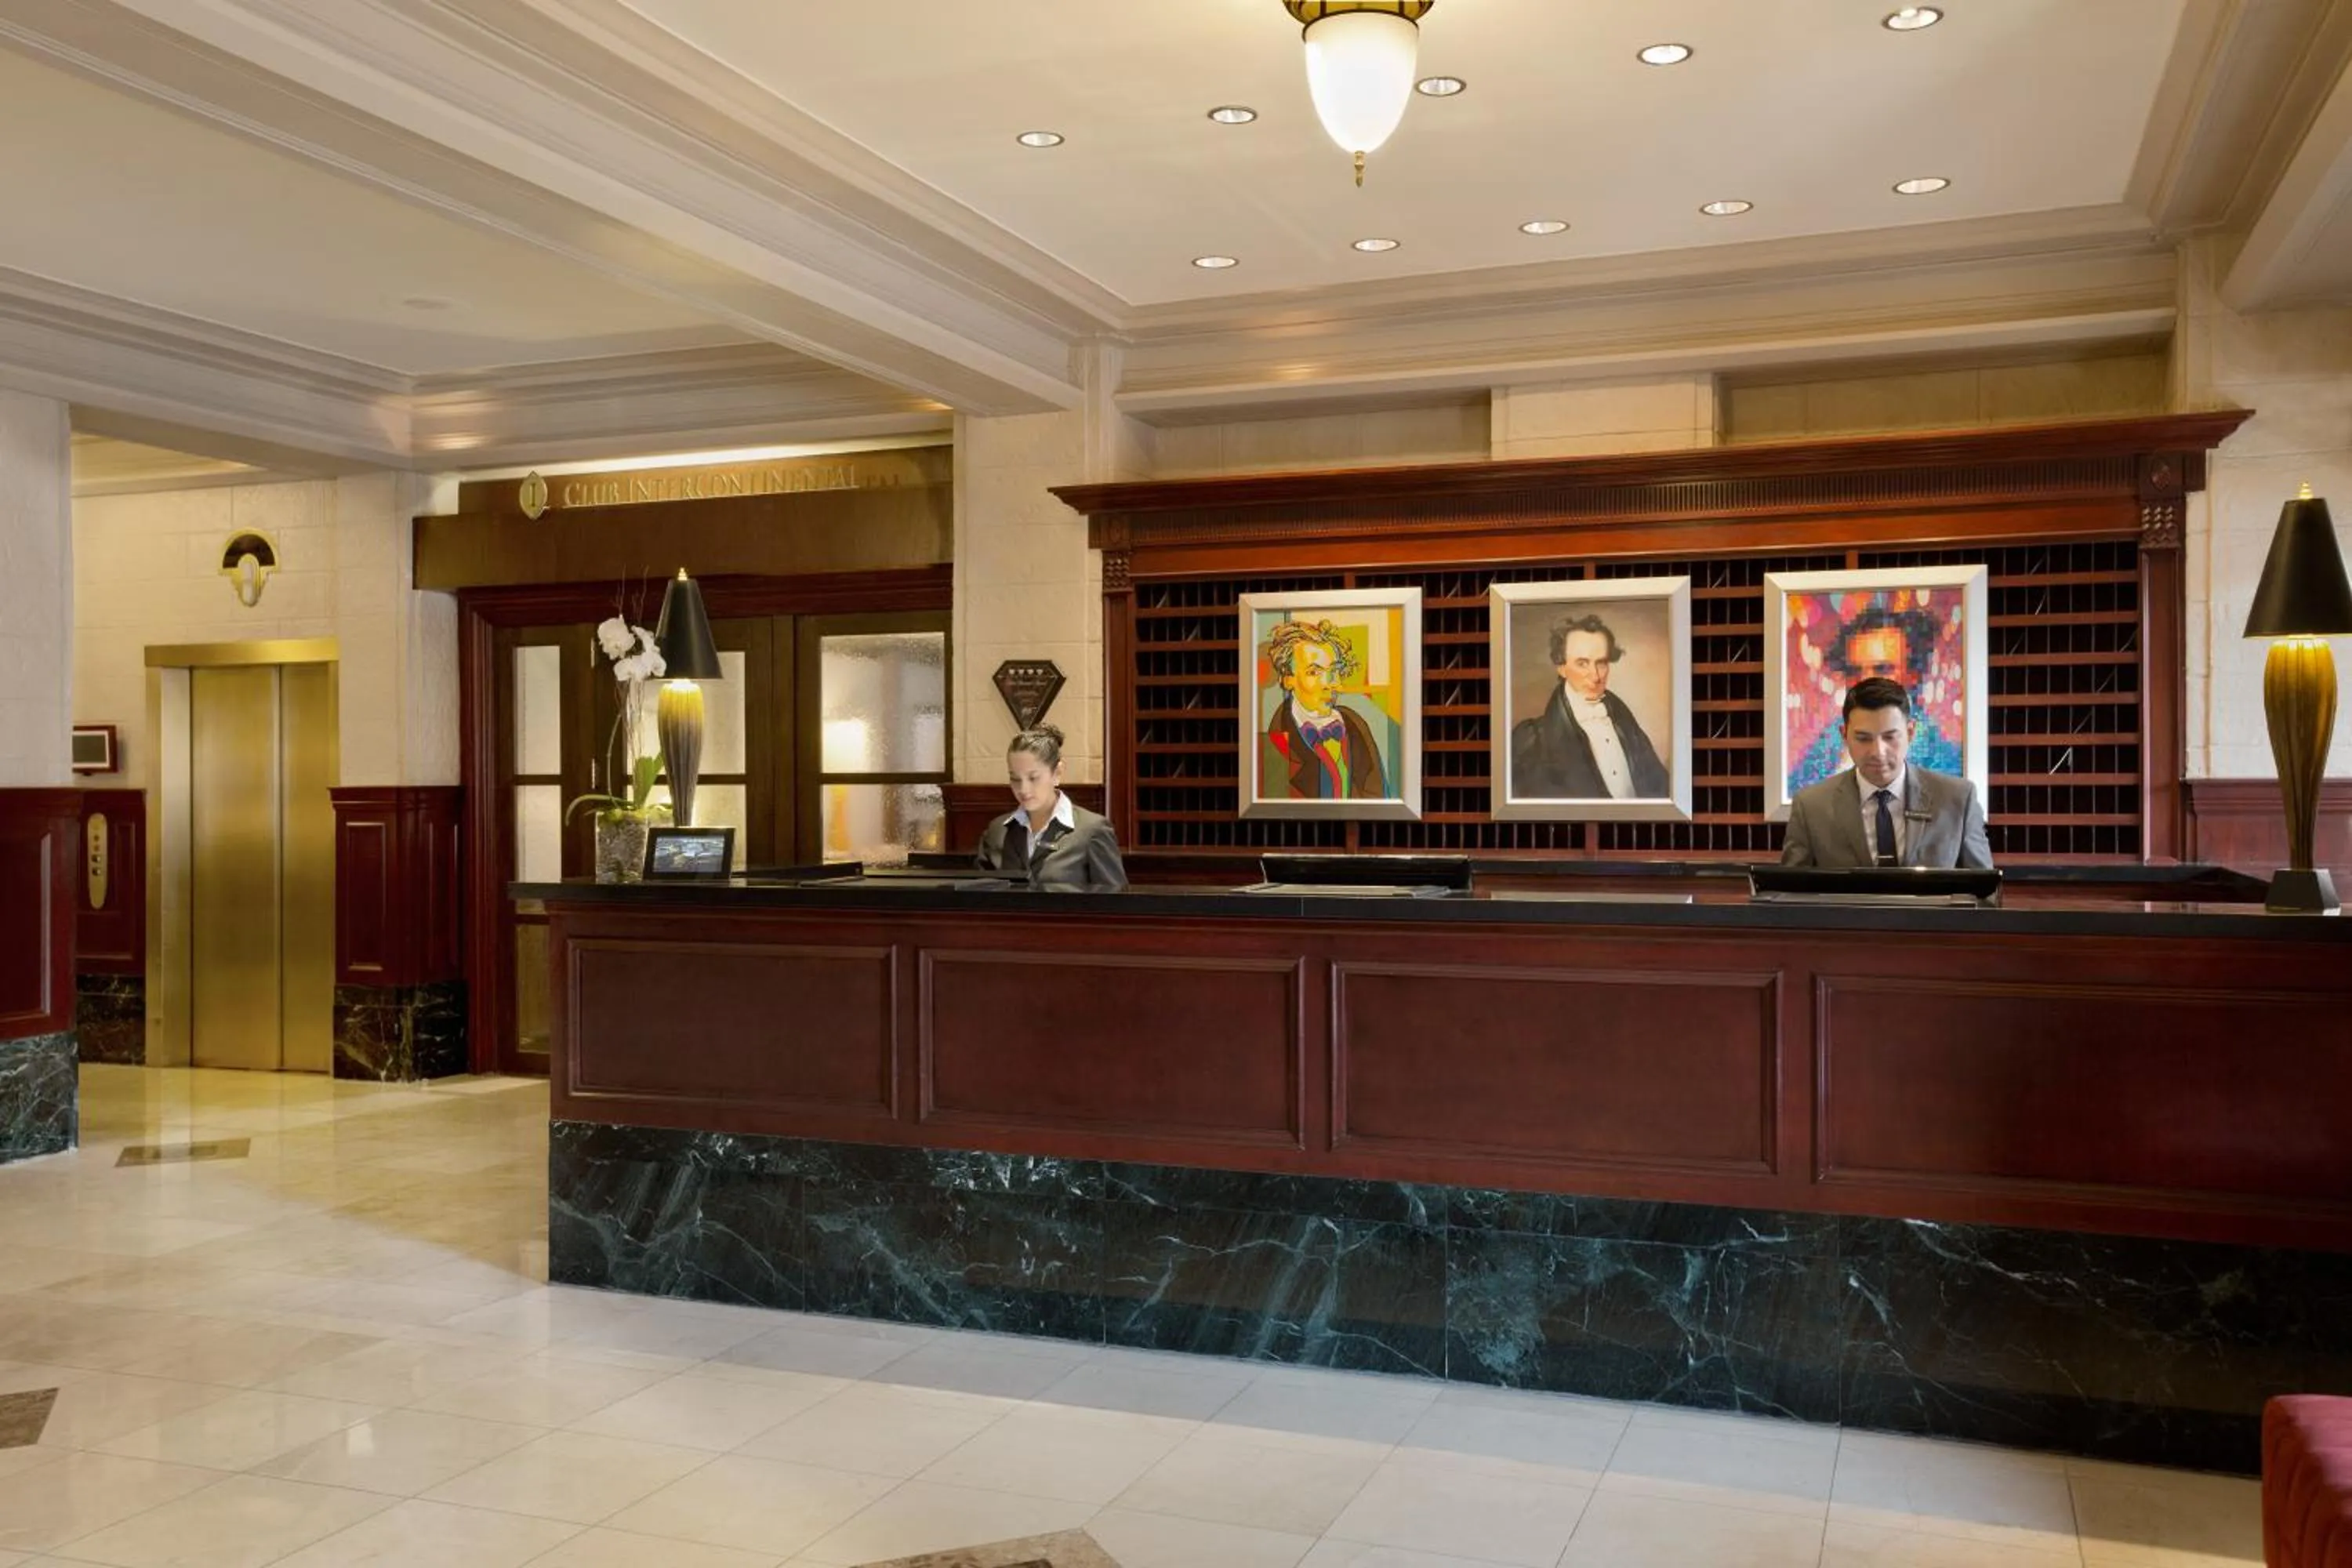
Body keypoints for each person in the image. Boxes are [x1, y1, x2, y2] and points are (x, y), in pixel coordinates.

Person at [1781, 677, 1991, 869]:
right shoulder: (1811, 806)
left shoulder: (1957, 799)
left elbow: (1985, 894)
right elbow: (1790, 895)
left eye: (1890, 737)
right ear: (1844, 736)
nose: (1878, 752)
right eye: (1863, 739)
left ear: (1910, 733)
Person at [1795, 604, 1962, 784]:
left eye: (1882, 669)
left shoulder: (1941, 758)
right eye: (1854, 671)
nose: (1866, 681)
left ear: (1914, 674)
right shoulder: (1828, 744)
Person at [1510, 612, 1670, 799]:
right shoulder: (1533, 741)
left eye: (1601, 663)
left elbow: (1661, 790)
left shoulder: (1626, 723)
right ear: (1562, 668)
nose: (1595, 676)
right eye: (1582, 664)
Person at [975, 724, 1128, 889]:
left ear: (1057, 773)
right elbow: (981, 898)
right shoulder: (998, 831)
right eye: (1015, 779)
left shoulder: (1093, 831)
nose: (1023, 789)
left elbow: (1115, 900)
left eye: (1033, 778)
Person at [1261, 619, 1392, 799]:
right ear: (1288, 679)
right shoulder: (1275, 742)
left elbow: (1379, 795)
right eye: (1314, 672)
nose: (1331, 684)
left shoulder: (1355, 724)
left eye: (1334, 671)